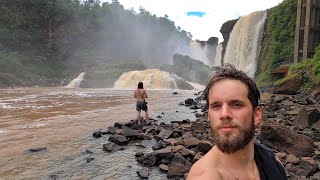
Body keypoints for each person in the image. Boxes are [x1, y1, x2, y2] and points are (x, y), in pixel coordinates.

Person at [187, 64, 287, 180]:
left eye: (236, 105)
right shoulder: (204, 176)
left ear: (256, 115)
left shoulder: (274, 164)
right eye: (216, 106)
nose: (224, 114)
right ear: (209, 116)